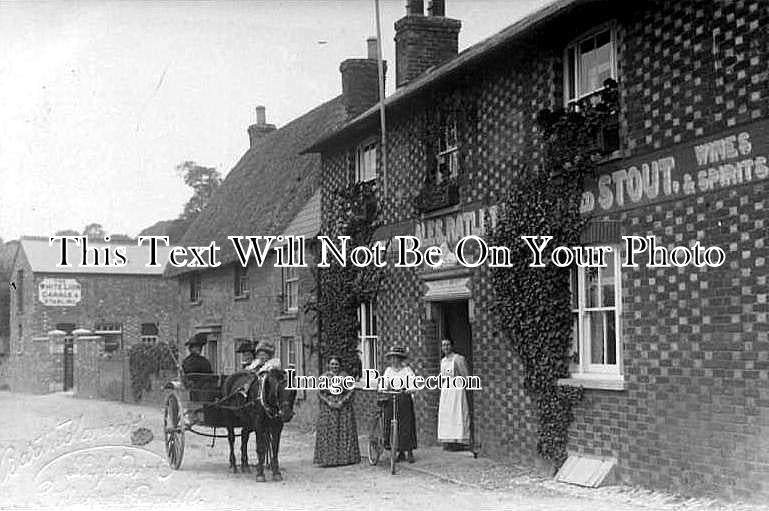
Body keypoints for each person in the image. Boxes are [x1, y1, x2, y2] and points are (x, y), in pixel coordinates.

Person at [313, 355, 360, 467]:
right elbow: (320, 392)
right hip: (328, 407)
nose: (334, 366)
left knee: (343, 431)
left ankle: (344, 458)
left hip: (343, 407)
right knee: (328, 432)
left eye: (336, 364)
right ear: (329, 365)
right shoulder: (324, 377)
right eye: (332, 364)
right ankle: (328, 459)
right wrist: (328, 402)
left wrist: (342, 401)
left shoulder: (345, 376)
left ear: (340, 365)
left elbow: (351, 391)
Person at [381, 345, 418, 463]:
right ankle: (397, 451)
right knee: (391, 422)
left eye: (396, 358)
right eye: (392, 358)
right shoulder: (388, 371)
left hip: (403, 399)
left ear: (400, 359)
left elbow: (413, 384)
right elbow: (383, 384)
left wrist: (409, 389)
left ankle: (409, 451)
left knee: (406, 424)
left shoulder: (407, 371)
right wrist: (383, 389)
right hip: (391, 398)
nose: (394, 360)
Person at [437, 338, 471, 450]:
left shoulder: (458, 359)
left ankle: (459, 441)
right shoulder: (443, 361)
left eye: (447, 345)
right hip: (446, 390)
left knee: (457, 413)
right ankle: (449, 440)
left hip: (456, 390)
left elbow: (465, 375)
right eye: (443, 345)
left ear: (451, 346)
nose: (445, 347)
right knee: (447, 415)